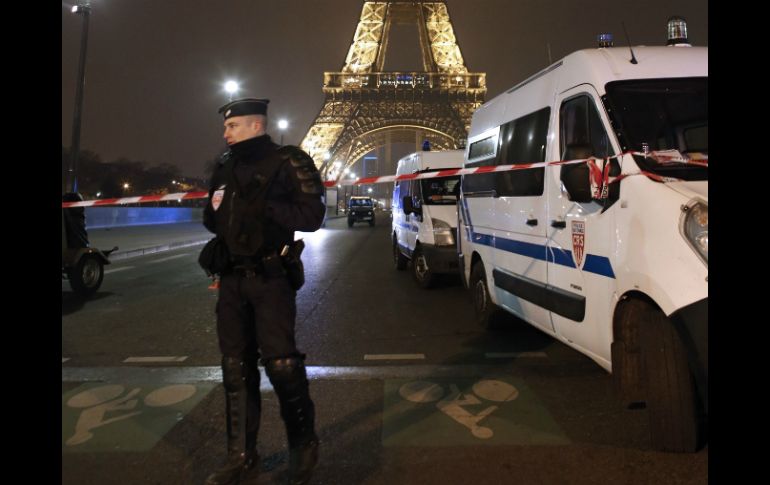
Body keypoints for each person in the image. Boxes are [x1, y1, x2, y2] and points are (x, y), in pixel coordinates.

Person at [202, 97, 326, 485]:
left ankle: (303, 446)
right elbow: (212, 217)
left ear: (256, 125)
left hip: (271, 277)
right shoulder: (224, 166)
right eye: (226, 127)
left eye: (232, 126)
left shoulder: (290, 161)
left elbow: (312, 216)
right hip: (232, 279)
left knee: (282, 366)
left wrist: (266, 210)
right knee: (235, 368)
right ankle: (240, 456)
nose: (225, 132)